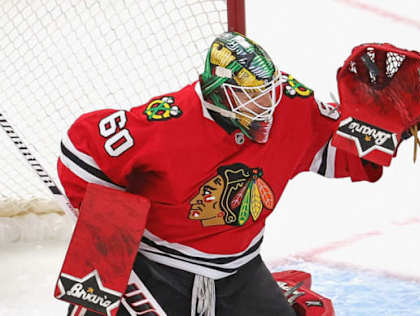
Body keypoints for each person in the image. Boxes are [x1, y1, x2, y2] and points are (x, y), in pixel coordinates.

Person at [58, 31, 383, 316]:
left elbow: (335, 149)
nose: (266, 105)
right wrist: (108, 237)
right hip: (159, 265)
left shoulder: (289, 105)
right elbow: (82, 147)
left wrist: (380, 128)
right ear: (217, 91)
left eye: (269, 91)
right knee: (92, 301)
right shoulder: (167, 125)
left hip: (240, 267)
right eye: (251, 96)